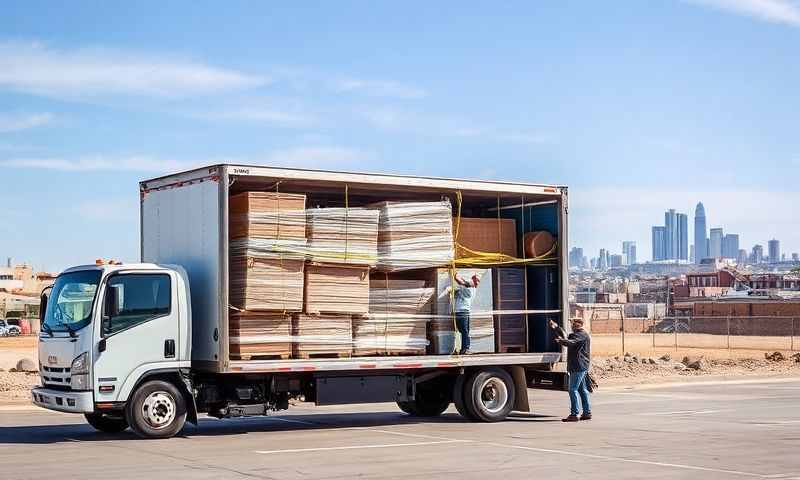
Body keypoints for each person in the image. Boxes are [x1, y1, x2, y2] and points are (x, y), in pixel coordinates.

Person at [551, 318, 592, 422]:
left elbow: (570, 342)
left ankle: (574, 414)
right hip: (580, 365)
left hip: (578, 366)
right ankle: (587, 413)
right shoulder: (579, 334)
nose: (572, 326)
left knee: (572, 389)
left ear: (578, 325)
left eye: (573, 324)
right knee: (582, 390)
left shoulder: (581, 335)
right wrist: (556, 328)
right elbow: (567, 337)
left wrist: (561, 341)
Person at [453, 274, 480, 355]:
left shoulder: (470, 289)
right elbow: (462, 283)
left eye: (475, 280)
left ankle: (465, 349)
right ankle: (463, 348)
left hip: (462, 312)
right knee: (463, 331)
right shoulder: (466, 287)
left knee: (464, 331)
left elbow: (459, 280)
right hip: (461, 312)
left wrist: (456, 275)